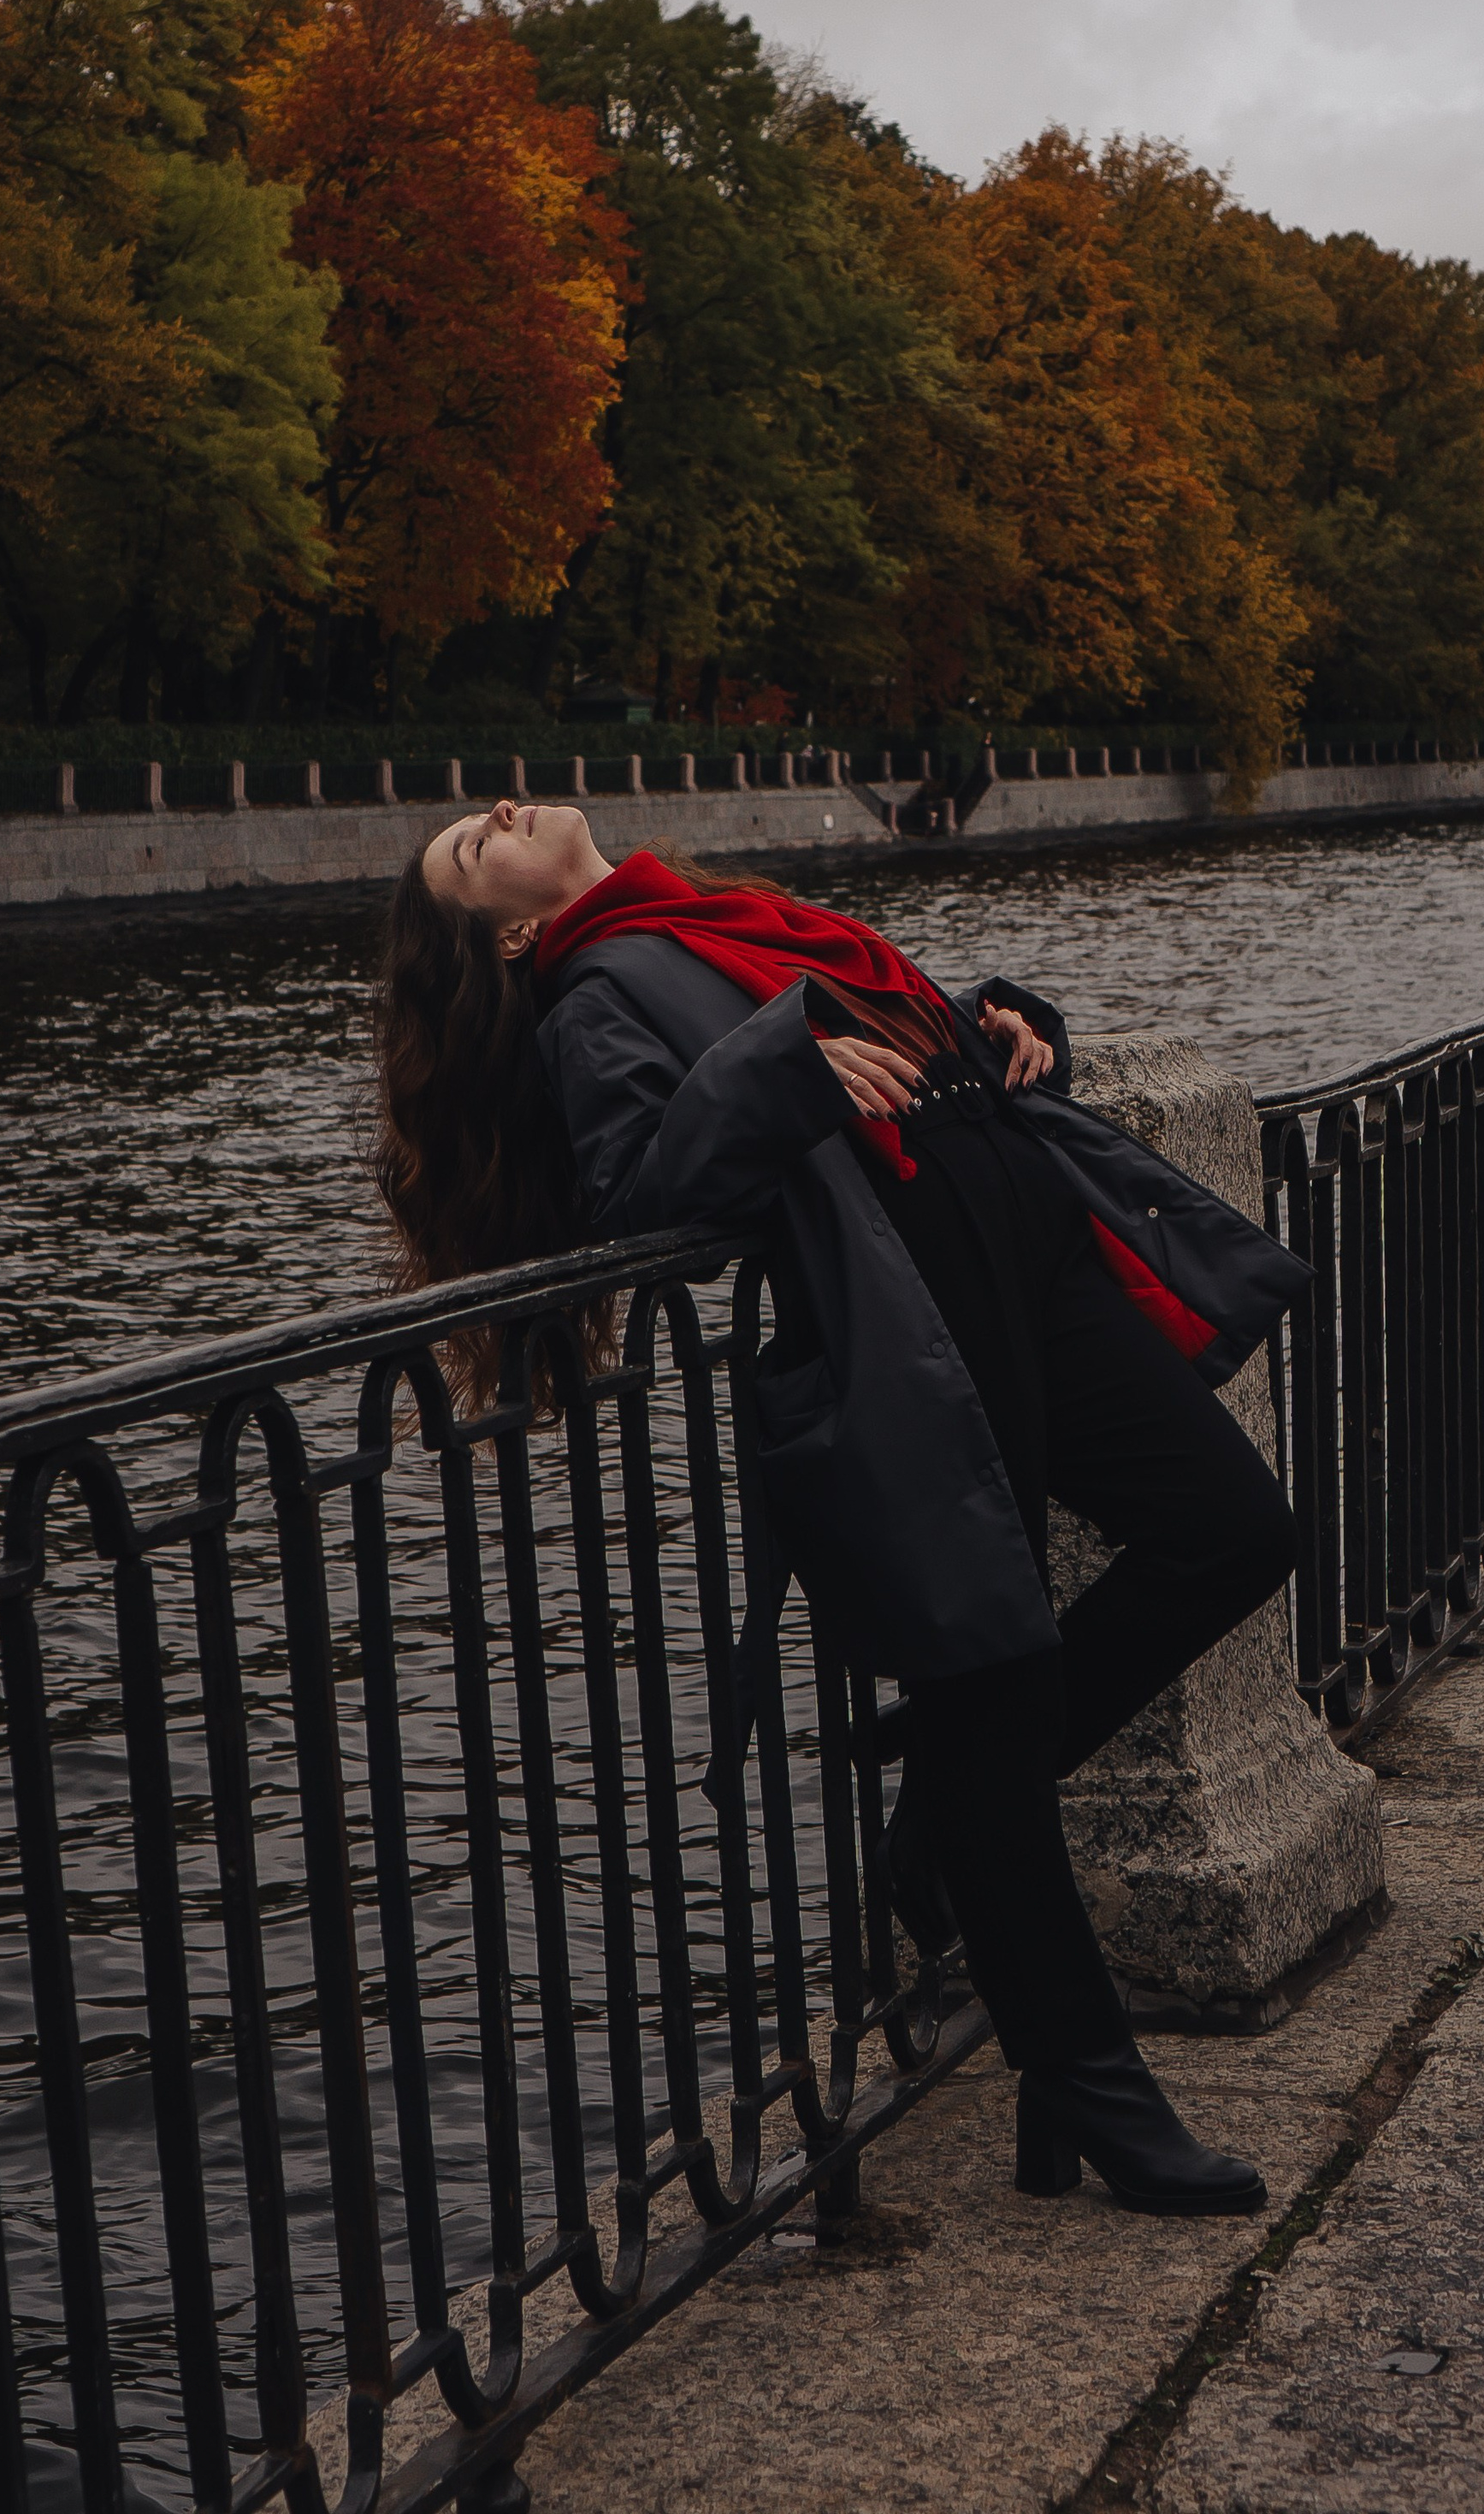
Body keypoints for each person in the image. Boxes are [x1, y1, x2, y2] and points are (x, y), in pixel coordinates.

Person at [375, 797, 1311, 2217]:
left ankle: (938, 1813)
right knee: (1003, 1693)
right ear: (508, 930)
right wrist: (785, 1066)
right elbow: (645, 1196)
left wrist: (995, 1019)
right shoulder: (592, 999)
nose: (498, 811)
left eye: (485, 808)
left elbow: (885, 1034)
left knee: (1236, 1529)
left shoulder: (712, 917)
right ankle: (1092, 2084)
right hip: (914, 1324)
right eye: (469, 845)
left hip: (1030, 1256)